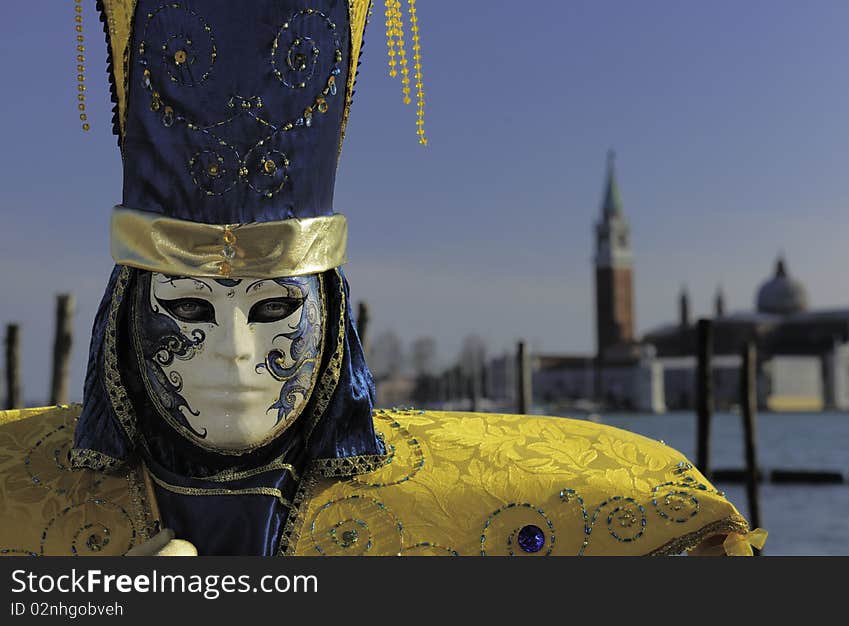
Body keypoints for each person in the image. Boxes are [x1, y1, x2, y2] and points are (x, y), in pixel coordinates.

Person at [0, 0, 764, 557]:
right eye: (192, 305)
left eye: (271, 306)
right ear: (126, 321)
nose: (232, 352)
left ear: (331, 326)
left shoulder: (502, 504)